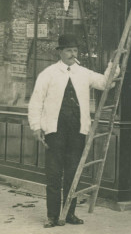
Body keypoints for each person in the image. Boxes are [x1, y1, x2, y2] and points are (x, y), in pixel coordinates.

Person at [27, 34, 118, 228]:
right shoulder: (48, 74)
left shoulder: (83, 73)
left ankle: (69, 213)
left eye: (75, 50)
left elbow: (105, 83)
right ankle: (52, 216)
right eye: (68, 50)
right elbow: (36, 102)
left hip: (77, 131)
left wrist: (114, 63)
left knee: (73, 173)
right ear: (59, 52)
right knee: (53, 174)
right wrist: (36, 127)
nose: (72, 54)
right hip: (54, 131)